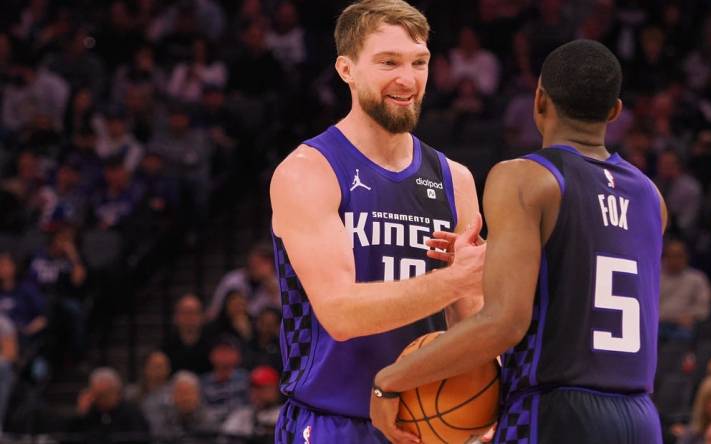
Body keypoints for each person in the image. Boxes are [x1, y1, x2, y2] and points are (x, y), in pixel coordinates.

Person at [370, 39, 668, 444]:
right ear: (615, 111)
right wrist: (493, 263)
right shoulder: (650, 196)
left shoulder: (524, 177)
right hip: (640, 419)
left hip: (556, 413)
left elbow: (505, 323)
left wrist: (390, 381)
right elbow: (583, 272)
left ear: (539, 99)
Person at [268, 0, 485, 442]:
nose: (407, 79)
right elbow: (341, 315)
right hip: (332, 420)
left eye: (419, 62)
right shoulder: (309, 171)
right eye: (389, 62)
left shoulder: (455, 180)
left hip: (426, 421)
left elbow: (470, 318)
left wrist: (484, 399)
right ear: (346, 70)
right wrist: (458, 280)